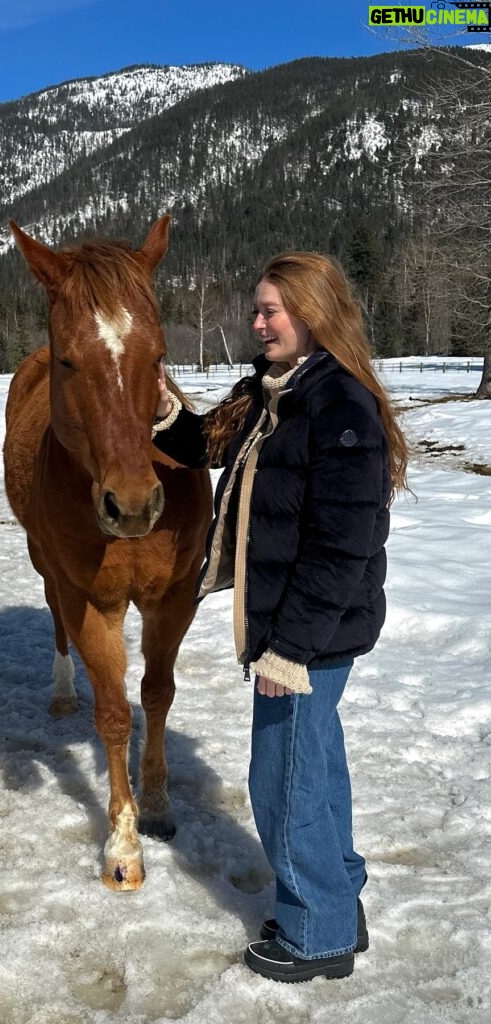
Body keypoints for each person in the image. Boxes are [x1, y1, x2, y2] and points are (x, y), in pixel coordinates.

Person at [152, 252, 407, 983]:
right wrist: (163, 414)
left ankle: (315, 937)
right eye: (257, 310)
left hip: (308, 633)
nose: (258, 323)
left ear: (314, 314)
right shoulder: (273, 392)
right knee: (316, 770)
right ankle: (335, 902)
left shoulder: (337, 406)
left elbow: (342, 545)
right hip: (299, 625)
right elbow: (206, 444)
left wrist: (287, 649)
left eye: (272, 311)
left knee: (283, 783)